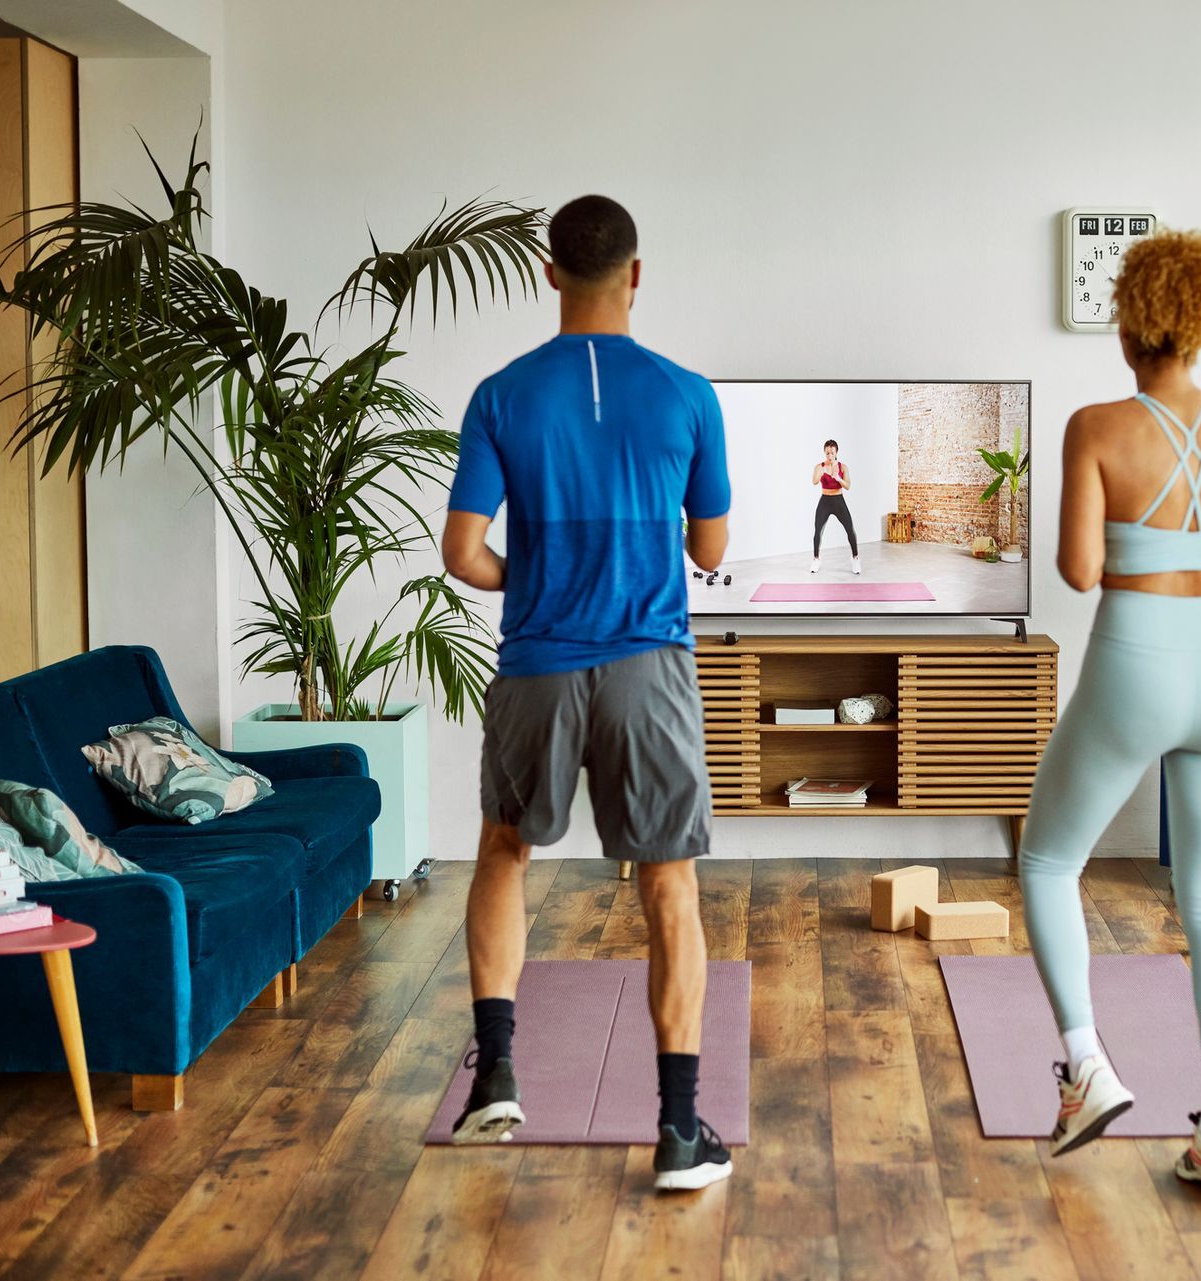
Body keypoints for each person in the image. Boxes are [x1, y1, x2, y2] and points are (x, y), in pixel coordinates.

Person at [441, 195, 736, 1191]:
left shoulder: (501, 394)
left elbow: (462, 554)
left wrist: (533, 578)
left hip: (537, 664)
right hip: (648, 666)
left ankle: (496, 1083)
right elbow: (709, 547)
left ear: (549, 272)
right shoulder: (689, 394)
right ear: (637, 274)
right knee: (669, 886)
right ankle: (681, 1133)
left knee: (505, 852)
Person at [1017, 229, 1201, 1190]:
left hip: (1137, 656)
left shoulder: (1098, 426)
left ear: (1131, 321)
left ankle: (1086, 1066)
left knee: (1050, 857)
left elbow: (1079, 569)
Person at [809, 438, 860, 573]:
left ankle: (855, 559)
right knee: (818, 530)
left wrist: (838, 478)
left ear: (836, 452)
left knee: (850, 529)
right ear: (824, 453)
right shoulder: (819, 467)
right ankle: (815, 559)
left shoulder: (843, 467)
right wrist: (819, 474)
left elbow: (848, 486)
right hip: (825, 501)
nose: (830, 456)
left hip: (838, 501)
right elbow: (814, 481)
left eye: (832, 453)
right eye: (827, 453)